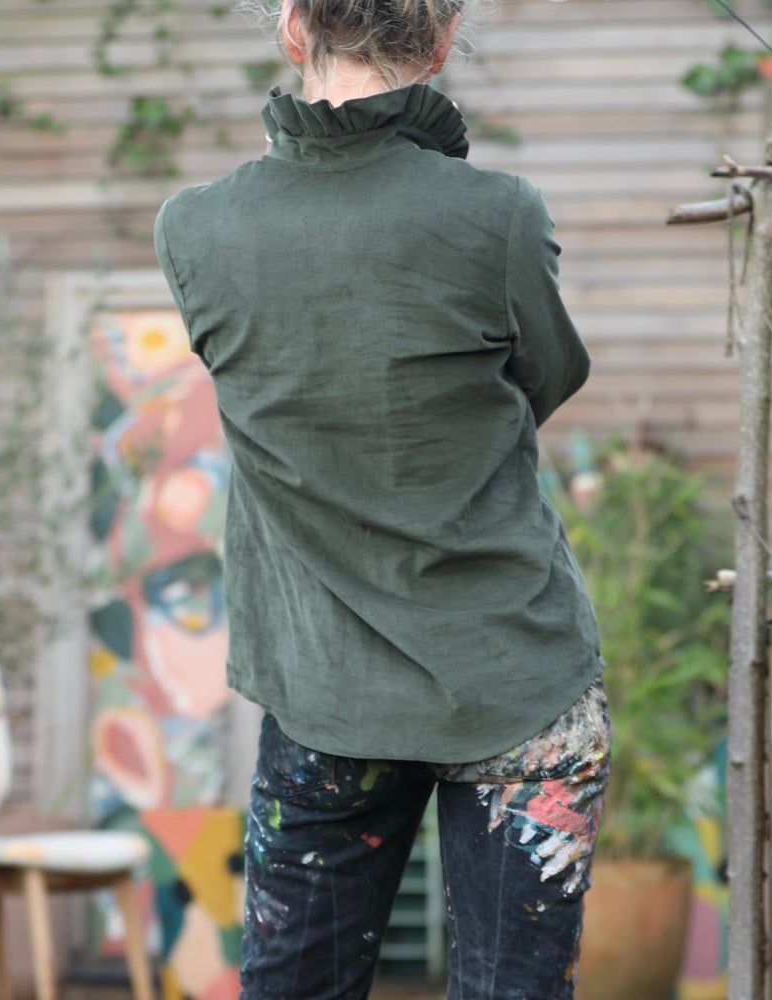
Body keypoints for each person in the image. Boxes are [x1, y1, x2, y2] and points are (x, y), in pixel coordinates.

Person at [154, 1, 610, 996]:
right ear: (442, 38)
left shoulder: (194, 229)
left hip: (323, 688)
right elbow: (547, 380)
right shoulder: (498, 215)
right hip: (515, 677)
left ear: (291, 25)